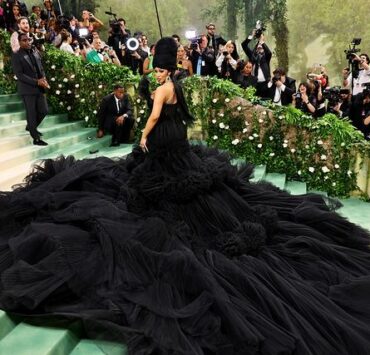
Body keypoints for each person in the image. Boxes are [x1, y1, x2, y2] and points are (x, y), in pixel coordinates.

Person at [2, 37, 370, 355]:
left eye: (159, 68)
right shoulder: (176, 84)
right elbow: (169, 108)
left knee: (161, 197)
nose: (157, 72)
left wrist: (144, 137)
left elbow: (152, 117)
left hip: (165, 151)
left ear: (164, 68)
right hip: (177, 148)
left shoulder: (163, 89)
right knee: (171, 186)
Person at [11, 32, 49, 145]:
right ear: (19, 42)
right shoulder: (16, 55)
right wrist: (36, 82)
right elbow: (19, 75)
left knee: (44, 110)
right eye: (24, 40)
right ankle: (36, 138)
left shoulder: (34, 51)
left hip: (40, 87)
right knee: (31, 113)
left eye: (28, 39)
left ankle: (31, 126)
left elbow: (40, 67)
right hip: (27, 89)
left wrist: (44, 79)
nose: (27, 42)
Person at [242, 30, 272, 97]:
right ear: (255, 49)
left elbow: (269, 52)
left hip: (265, 83)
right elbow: (244, 45)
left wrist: (261, 41)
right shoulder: (252, 56)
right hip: (253, 83)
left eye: (261, 47)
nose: (260, 47)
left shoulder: (266, 57)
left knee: (265, 101)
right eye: (258, 47)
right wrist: (252, 36)